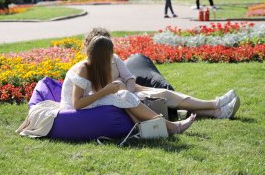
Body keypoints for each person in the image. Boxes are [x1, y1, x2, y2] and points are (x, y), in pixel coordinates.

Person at [83, 27, 241, 119]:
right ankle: (217, 107)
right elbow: (94, 93)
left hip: (134, 89)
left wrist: (130, 88)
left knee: (165, 93)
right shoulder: (88, 67)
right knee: (163, 98)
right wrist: (126, 93)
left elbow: (129, 78)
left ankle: (217, 110)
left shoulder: (114, 58)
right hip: (120, 99)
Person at [60, 35, 197, 136]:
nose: (111, 58)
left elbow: (94, 91)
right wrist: (106, 91)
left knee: (123, 95)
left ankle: (152, 129)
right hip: (71, 107)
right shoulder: (83, 69)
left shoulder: (93, 66)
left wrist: (110, 89)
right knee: (124, 95)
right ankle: (172, 127)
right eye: (109, 55)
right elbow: (77, 104)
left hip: (86, 101)